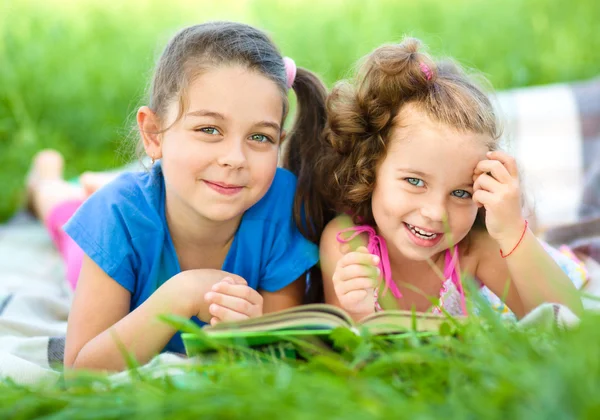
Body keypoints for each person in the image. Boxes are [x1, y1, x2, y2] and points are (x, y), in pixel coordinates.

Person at [26, 21, 328, 371]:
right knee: (67, 224)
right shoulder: (117, 216)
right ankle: (45, 180)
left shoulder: (283, 208)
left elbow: (279, 350)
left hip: (146, 202)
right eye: (209, 129)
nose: (235, 158)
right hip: (109, 251)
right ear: (154, 134)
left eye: (260, 137)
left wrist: (252, 330)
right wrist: (182, 295)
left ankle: (86, 186)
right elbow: (80, 372)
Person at [289, 37, 584, 321]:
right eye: (415, 182)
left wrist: (510, 229)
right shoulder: (348, 244)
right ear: (370, 167)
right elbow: (357, 356)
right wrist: (359, 312)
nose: (434, 212)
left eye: (461, 193)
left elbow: (565, 321)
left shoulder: (475, 246)